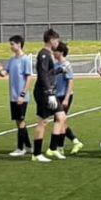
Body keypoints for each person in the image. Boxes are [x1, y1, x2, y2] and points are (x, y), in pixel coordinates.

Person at [30, 28, 62, 163]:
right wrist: (49, 93)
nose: (58, 43)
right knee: (43, 121)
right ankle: (36, 154)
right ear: (51, 40)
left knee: (61, 117)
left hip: (49, 91)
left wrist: (60, 70)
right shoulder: (44, 54)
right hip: (44, 92)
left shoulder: (48, 54)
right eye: (57, 40)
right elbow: (42, 75)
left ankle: (53, 148)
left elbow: (49, 73)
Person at [49, 41, 83, 156]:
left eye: (55, 51)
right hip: (57, 96)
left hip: (64, 95)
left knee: (59, 121)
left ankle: (60, 147)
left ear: (61, 52)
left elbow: (70, 82)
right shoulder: (55, 65)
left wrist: (66, 98)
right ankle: (75, 142)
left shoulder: (66, 65)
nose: (53, 53)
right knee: (61, 121)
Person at [5, 35, 35, 157]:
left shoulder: (25, 59)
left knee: (21, 121)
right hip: (13, 96)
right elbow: (5, 73)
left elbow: (29, 77)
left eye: (12, 44)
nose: (11, 46)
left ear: (19, 44)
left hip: (21, 96)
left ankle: (20, 148)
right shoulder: (12, 60)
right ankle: (28, 146)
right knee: (18, 122)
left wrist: (22, 94)